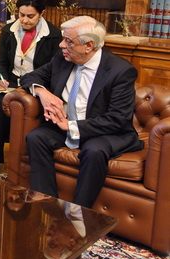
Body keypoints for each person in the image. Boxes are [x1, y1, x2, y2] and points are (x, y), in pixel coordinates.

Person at [20, 15, 144, 208]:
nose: (61, 45)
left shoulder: (120, 71)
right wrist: (42, 92)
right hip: (67, 124)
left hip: (105, 131)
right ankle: (47, 203)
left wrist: (70, 126)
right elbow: (29, 77)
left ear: (89, 46)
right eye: (63, 39)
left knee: (94, 151)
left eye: (68, 41)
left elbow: (117, 119)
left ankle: (78, 212)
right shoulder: (62, 59)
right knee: (36, 137)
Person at [0, 0, 62, 175]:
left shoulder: (53, 35)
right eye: (21, 15)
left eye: (30, 16)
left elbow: (52, 71)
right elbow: (1, 63)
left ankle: (24, 160)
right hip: (10, 83)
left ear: (42, 13)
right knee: (1, 107)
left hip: (37, 86)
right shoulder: (8, 31)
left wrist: (29, 85)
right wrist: (1, 79)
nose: (24, 20)